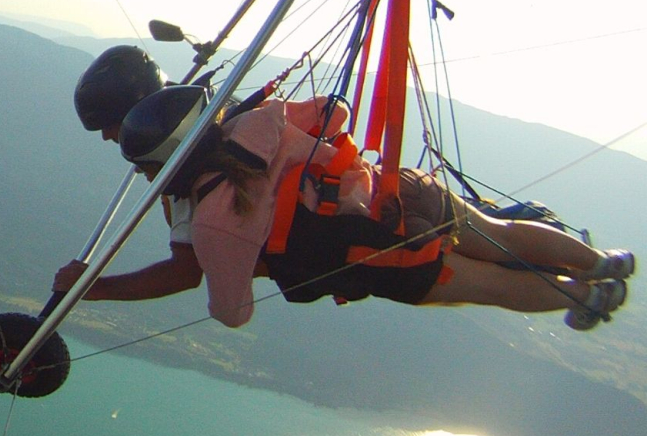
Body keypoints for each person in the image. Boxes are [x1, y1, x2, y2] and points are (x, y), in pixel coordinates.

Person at [56, 46, 633, 330]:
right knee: (500, 233)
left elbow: (210, 289)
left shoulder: (199, 206)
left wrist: (96, 289)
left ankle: (586, 296)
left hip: (381, 250)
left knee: (493, 286)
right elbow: (333, 112)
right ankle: (602, 260)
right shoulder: (247, 116)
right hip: (397, 191)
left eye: (114, 126)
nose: (112, 139)